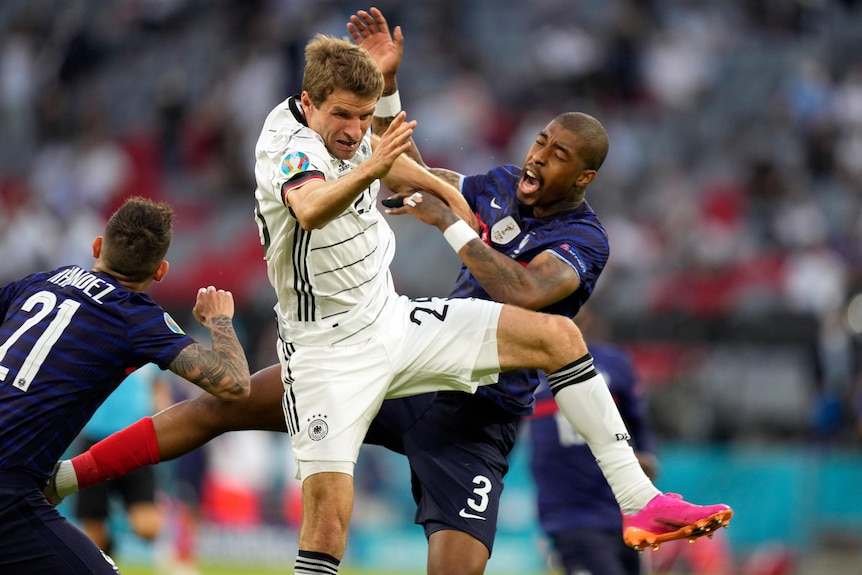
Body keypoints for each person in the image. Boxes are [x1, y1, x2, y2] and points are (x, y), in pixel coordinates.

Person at [47, 15, 732, 575]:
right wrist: (407, 174)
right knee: (275, 463)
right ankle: (58, 481)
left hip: (462, 395)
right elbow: (332, 196)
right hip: (335, 354)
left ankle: (640, 502)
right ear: (311, 104)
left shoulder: (584, 238)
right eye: (539, 141)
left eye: (554, 153)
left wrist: (417, 160)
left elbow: (520, 285)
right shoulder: (289, 144)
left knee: (561, 338)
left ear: (580, 178)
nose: (536, 155)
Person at [0, 195, 252, 575]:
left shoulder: (39, 283)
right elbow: (235, 384)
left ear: (98, 246)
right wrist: (219, 321)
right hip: (9, 485)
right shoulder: (134, 316)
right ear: (160, 271)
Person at [527, 307, 658, 575]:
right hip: (568, 514)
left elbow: (639, 420)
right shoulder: (526, 369)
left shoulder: (614, 363)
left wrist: (647, 454)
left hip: (621, 507)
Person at [72, 362, 169, 556]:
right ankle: (106, 558)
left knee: (148, 527)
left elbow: (159, 390)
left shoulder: (150, 355)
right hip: (94, 439)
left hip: (135, 440)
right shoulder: (94, 349)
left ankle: (117, 533)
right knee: (94, 535)